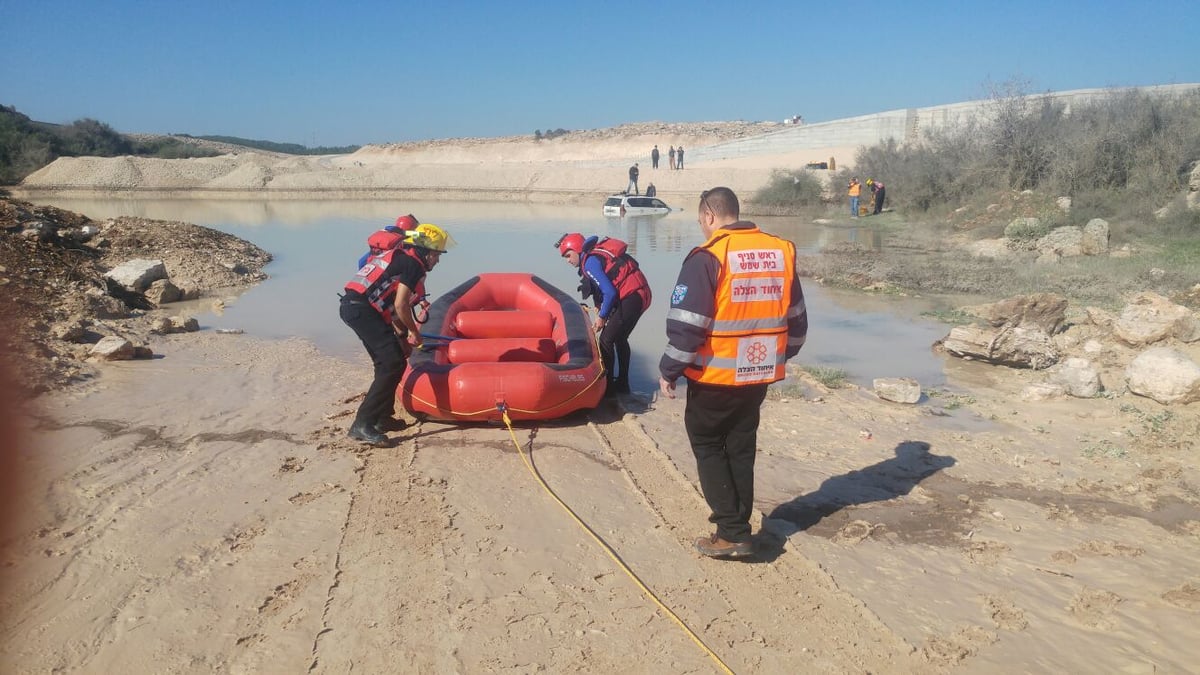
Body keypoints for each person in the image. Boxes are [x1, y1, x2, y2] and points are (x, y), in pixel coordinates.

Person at [659, 187, 808, 559]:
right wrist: (781, 354)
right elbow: (798, 320)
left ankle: (731, 531)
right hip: (758, 373)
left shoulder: (708, 257)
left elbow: (687, 325)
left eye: (700, 222)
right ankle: (739, 525)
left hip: (714, 375)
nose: (702, 229)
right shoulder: (781, 251)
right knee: (741, 448)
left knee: (709, 445)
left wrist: (669, 370)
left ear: (709, 215)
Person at [340, 223, 455, 445]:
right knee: (392, 364)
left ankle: (383, 417)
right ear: (426, 252)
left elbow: (392, 307)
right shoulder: (414, 265)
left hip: (355, 307)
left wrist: (402, 338)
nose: (437, 261)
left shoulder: (400, 257)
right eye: (436, 255)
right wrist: (415, 334)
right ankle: (362, 423)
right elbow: (402, 306)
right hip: (361, 310)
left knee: (386, 363)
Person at [557, 232, 652, 396]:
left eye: (568, 255)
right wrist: (600, 309)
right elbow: (604, 289)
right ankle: (622, 384)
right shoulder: (591, 259)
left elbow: (610, 292)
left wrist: (602, 317)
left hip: (632, 296)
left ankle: (608, 389)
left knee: (606, 340)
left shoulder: (590, 263)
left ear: (577, 249)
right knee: (620, 338)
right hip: (639, 294)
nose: (568, 260)